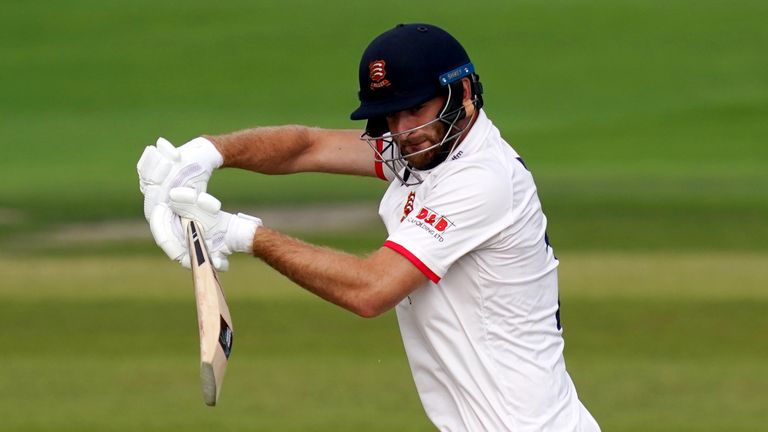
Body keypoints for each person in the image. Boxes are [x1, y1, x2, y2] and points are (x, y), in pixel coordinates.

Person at [137, 23, 600, 431]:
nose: (403, 130)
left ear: (462, 92)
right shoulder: (426, 148)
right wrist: (205, 152)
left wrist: (241, 235)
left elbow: (371, 290)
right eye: (391, 115)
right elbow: (308, 146)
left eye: (415, 109)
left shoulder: (482, 179)